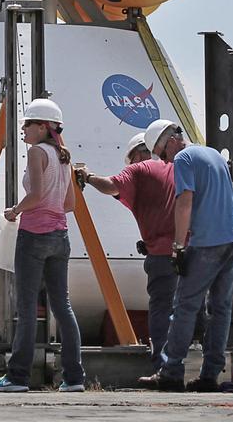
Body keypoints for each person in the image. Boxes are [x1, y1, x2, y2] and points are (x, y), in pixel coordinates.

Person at [138, 119, 233, 392]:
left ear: (169, 141)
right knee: (220, 309)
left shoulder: (184, 159)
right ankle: (210, 376)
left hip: (209, 242)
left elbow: (184, 202)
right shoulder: (212, 154)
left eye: (162, 155)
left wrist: (178, 247)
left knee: (185, 306)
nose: (165, 161)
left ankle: (171, 371)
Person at [0, 98, 84, 393]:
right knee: (63, 307)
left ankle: (17, 377)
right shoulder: (63, 157)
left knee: (26, 309)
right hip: (60, 237)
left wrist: (14, 210)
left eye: (28, 123)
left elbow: (37, 195)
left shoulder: (36, 152)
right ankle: (74, 378)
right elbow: (69, 204)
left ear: (42, 126)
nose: (24, 129)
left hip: (34, 236)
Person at [75, 132, 176, 371]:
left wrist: (87, 176)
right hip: (190, 251)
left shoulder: (139, 169)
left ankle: (164, 367)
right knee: (185, 307)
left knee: (161, 309)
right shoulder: (173, 168)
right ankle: (186, 360)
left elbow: (112, 186)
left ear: (137, 154)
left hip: (162, 255)